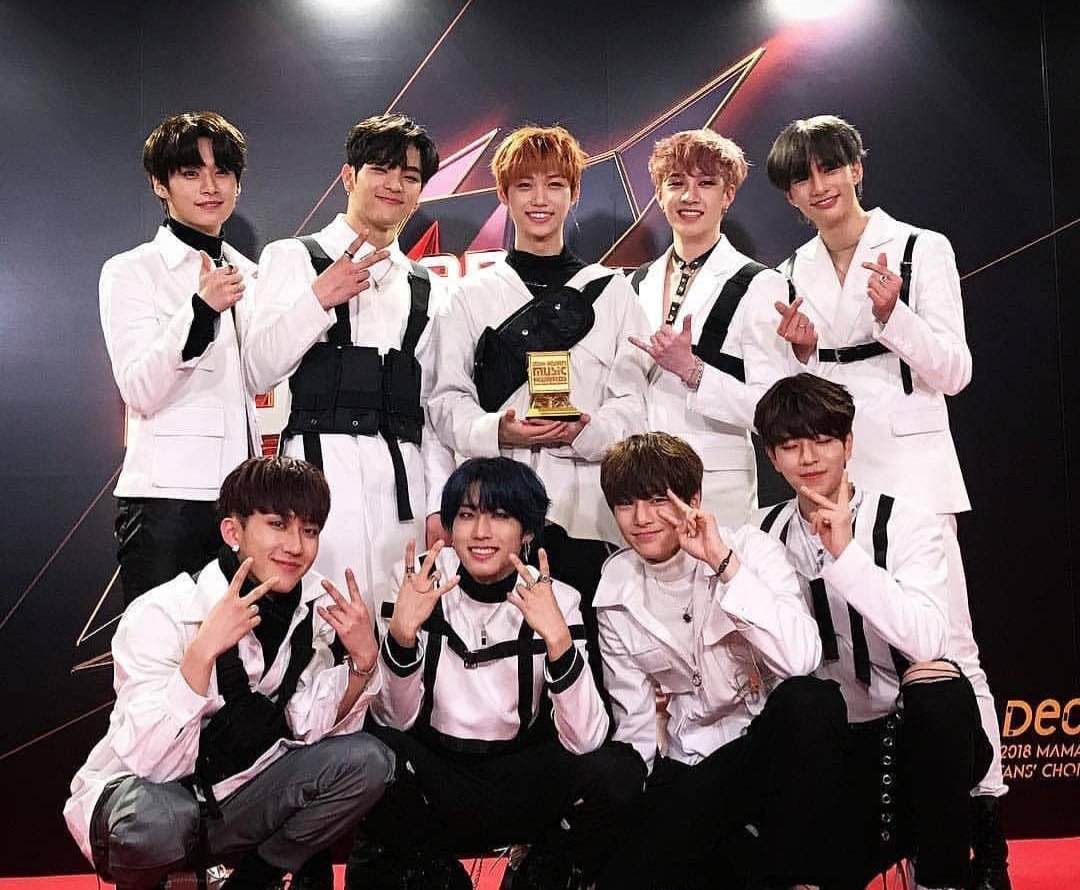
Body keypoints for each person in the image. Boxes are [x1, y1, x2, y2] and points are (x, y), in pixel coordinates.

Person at [764, 115, 1009, 890]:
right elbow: (800, 395)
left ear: (857, 167)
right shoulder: (791, 268)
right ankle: (862, 821)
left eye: (830, 167)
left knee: (950, 651)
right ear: (789, 194)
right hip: (829, 469)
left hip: (911, 466)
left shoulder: (919, 248)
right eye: (802, 177)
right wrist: (800, 353)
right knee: (838, 645)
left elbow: (955, 370)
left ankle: (984, 843)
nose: (819, 186)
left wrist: (894, 315)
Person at [64, 457, 395, 890]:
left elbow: (306, 726)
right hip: (149, 803)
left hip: (235, 799)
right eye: (277, 524)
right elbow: (149, 761)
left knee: (366, 762)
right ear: (232, 532)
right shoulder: (162, 611)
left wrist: (362, 663)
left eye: (310, 530)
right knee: (154, 819)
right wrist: (201, 655)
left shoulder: (311, 613)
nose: (296, 546)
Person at [755, 373, 994, 890]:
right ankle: (891, 848)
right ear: (772, 456)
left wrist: (845, 555)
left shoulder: (908, 521)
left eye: (823, 440)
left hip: (918, 740)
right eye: (791, 445)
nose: (809, 457)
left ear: (849, 444)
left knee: (936, 683)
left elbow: (928, 637)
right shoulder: (759, 533)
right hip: (834, 759)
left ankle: (942, 885)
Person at [363, 457, 645, 890]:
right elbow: (395, 718)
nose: (480, 532)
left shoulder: (559, 597)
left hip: (524, 778)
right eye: (466, 515)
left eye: (499, 516)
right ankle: (433, 875)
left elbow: (586, 739)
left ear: (528, 532)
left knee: (619, 770)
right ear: (449, 527)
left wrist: (558, 640)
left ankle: (545, 872)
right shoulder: (414, 581)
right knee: (368, 753)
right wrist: (403, 635)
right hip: (439, 776)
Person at [590, 433, 839, 890]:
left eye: (657, 500)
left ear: (694, 499)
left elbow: (801, 657)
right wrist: (647, 822)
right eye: (626, 504)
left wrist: (722, 563)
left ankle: (768, 886)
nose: (642, 519)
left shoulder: (750, 550)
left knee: (810, 700)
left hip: (767, 753)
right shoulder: (614, 588)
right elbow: (635, 724)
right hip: (694, 765)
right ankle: (745, 865)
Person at [245, 112, 454, 618]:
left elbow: (432, 408)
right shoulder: (293, 258)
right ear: (348, 177)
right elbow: (258, 370)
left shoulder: (428, 286)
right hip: (317, 488)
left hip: (404, 491)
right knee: (320, 625)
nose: (394, 184)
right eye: (381, 169)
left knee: (401, 627)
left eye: (409, 176)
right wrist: (318, 299)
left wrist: (437, 505)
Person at [428, 124, 651, 548]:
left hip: (592, 508)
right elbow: (445, 400)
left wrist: (585, 431)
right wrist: (498, 430)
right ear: (503, 194)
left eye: (555, 185)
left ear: (574, 193)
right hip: (496, 510)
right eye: (525, 185)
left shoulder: (613, 293)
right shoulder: (469, 295)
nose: (540, 199)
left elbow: (634, 404)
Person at [101, 111, 260, 606]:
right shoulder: (131, 271)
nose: (210, 187)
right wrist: (200, 310)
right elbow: (139, 388)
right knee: (161, 645)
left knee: (241, 648)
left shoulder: (252, 274)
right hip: (166, 503)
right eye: (191, 173)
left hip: (246, 503)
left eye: (222, 172)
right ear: (160, 184)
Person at [627, 130, 794, 527]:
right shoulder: (636, 283)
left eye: (705, 183)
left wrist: (694, 371)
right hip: (640, 485)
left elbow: (771, 411)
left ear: (728, 195)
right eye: (676, 183)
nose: (690, 196)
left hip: (717, 487)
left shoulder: (759, 283)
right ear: (659, 194)